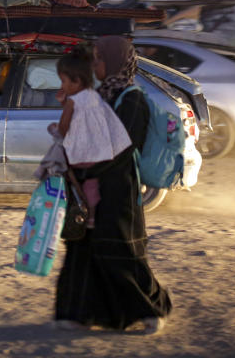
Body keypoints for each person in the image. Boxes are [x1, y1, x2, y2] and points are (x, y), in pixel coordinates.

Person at [54, 35, 171, 335]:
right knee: (82, 250)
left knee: (122, 254)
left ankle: (151, 310)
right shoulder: (101, 95)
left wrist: (86, 166)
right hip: (91, 189)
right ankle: (76, 312)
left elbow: (120, 149)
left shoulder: (132, 99)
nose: (94, 65)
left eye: (99, 59)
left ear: (115, 61)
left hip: (117, 191)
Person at [47, 51, 132, 228]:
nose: (62, 85)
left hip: (82, 153)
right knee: (91, 184)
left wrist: (55, 130)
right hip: (99, 153)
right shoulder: (93, 95)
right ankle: (92, 216)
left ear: (76, 81)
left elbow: (65, 126)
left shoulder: (73, 101)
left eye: (63, 81)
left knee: (60, 169)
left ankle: (73, 208)